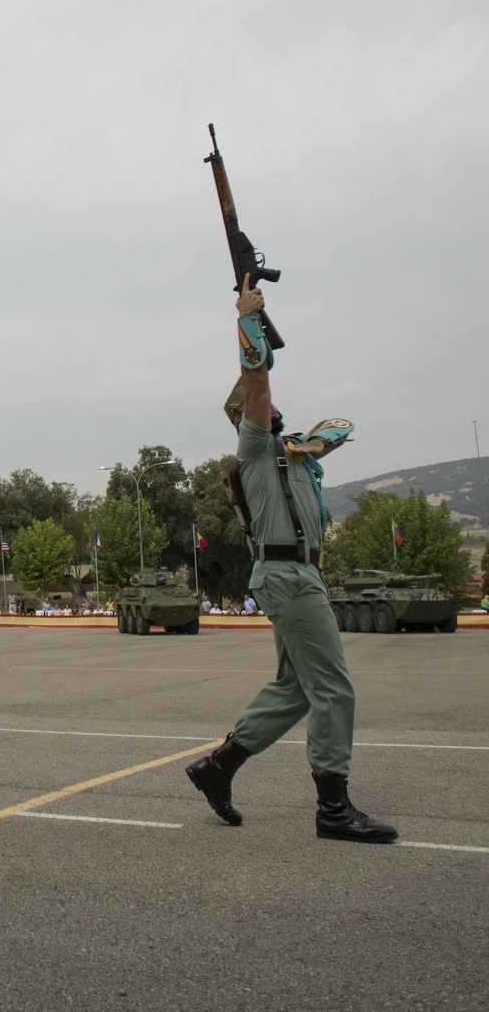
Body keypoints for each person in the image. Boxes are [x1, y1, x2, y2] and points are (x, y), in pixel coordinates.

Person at [185, 278, 394, 843]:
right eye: (258, 405)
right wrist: (249, 320)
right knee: (334, 687)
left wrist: (305, 443)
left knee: (296, 688)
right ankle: (333, 810)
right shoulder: (253, 451)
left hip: (295, 576)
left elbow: (340, 428)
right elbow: (256, 378)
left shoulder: (294, 454)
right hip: (290, 576)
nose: (268, 405)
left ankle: (218, 767)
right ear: (246, 416)